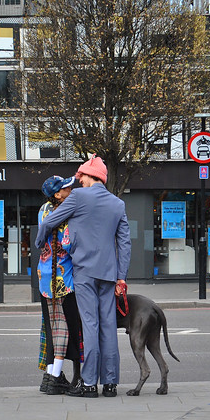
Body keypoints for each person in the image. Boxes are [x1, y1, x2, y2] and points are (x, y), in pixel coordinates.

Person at [35, 155, 131, 398]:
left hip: (84, 272)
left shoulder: (78, 197)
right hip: (109, 273)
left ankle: (89, 384)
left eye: (82, 177)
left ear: (94, 176)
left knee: (90, 325)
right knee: (108, 327)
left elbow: (50, 222)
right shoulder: (117, 203)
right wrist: (121, 277)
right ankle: (110, 384)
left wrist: (38, 242)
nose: (79, 182)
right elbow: (125, 243)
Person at [37, 175, 84, 395]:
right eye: (66, 188)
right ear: (58, 194)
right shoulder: (65, 213)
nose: (71, 188)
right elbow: (69, 243)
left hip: (44, 276)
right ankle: (55, 377)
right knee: (65, 329)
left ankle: (50, 376)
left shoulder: (43, 209)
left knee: (50, 327)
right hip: (63, 279)